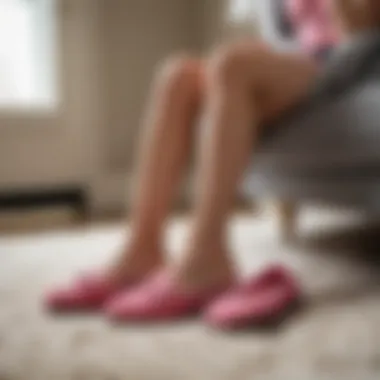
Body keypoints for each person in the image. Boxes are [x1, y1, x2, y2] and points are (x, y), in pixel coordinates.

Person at [45, 0, 380, 328]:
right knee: (177, 74)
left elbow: (358, 32)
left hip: (346, 61)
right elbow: (290, 37)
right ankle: (141, 250)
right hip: (298, 60)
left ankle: (207, 257)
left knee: (231, 64)